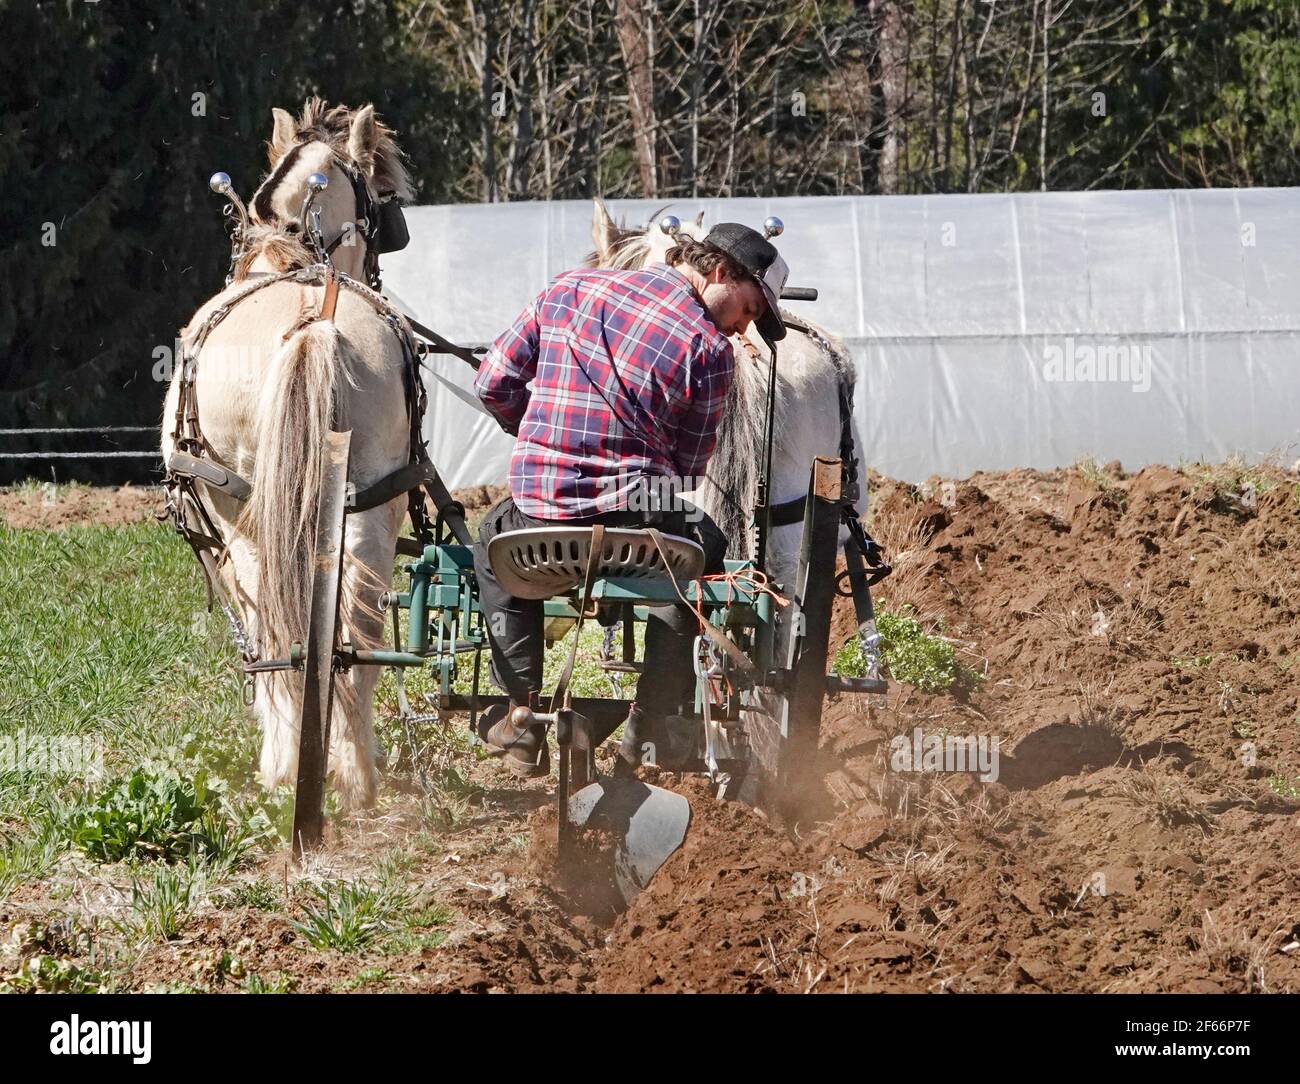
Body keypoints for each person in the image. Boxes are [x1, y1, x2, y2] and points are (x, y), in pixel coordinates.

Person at [471, 222, 790, 777]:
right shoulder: (710, 349)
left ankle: (518, 710)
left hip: (538, 519)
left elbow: (492, 383)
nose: (745, 327)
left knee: (492, 539)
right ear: (719, 272)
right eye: (748, 308)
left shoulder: (568, 288)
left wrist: (542, 434)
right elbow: (690, 470)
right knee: (698, 553)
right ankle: (651, 720)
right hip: (641, 522)